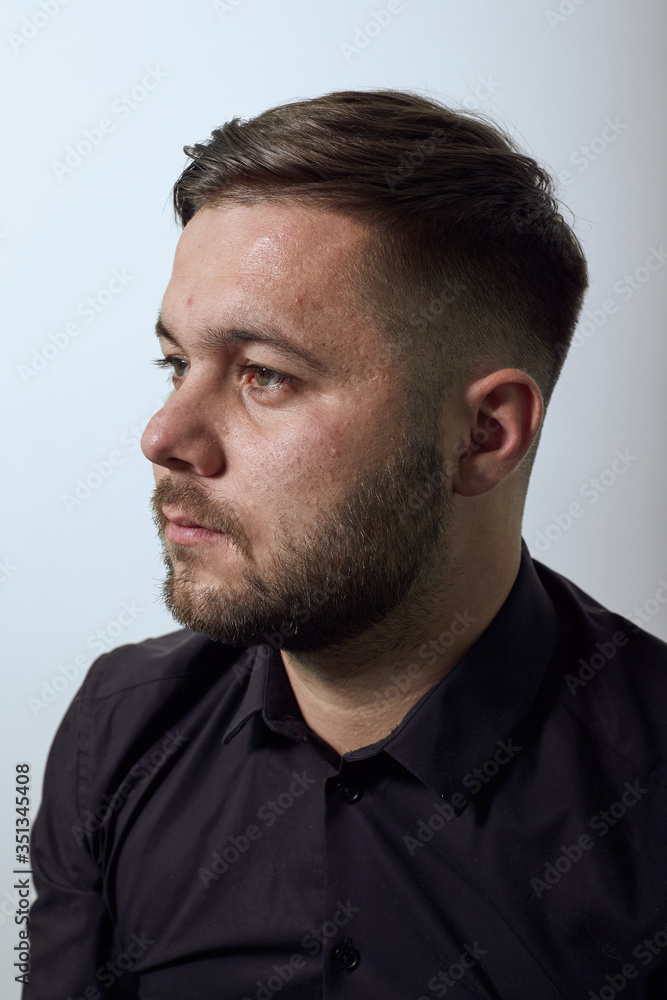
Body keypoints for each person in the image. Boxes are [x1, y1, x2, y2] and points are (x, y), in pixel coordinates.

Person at [25, 89, 667, 1000]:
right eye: (176, 365)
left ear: (483, 435)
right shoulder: (115, 728)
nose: (164, 434)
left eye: (265, 376)